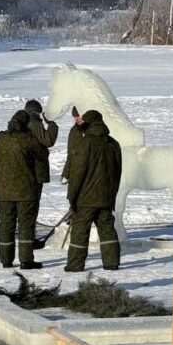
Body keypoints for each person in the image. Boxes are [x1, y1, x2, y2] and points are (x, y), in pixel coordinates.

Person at [0, 110, 49, 269]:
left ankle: (6, 260)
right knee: (26, 226)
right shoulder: (29, 140)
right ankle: (26, 260)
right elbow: (43, 154)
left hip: (4, 193)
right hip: (26, 192)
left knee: (6, 226)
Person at [65, 110, 122, 271]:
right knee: (107, 229)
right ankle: (111, 262)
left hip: (86, 198)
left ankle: (75, 265)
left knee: (80, 230)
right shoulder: (113, 144)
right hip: (106, 197)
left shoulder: (86, 143)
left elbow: (77, 172)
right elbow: (118, 172)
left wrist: (72, 196)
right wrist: (112, 195)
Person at [60, 106, 86, 184]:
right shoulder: (74, 131)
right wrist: (66, 174)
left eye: (78, 116)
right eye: (74, 116)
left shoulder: (95, 129)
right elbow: (71, 154)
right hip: (78, 172)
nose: (76, 119)